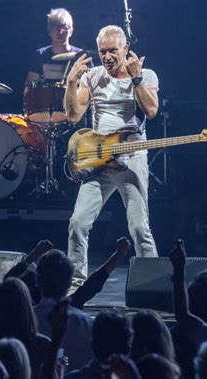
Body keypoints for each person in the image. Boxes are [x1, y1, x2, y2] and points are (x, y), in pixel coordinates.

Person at [64, 25, 159, 288]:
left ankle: (151, 285)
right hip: (98, 160)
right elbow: (73, 115)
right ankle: (75, 286)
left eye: (112, 51)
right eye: (102, 52)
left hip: (132, 158)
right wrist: (72, 81)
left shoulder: (146, 74)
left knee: (139, 228)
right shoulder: (93, 76)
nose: (107, 57)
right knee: (78, 224)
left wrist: (136, 78)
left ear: (125, 48)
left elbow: (151, 110)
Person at [26, 8, 82, 83]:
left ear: (71, 32)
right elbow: (30, 88)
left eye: (63, 26)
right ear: (49, 31)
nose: (60, 31)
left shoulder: (80, 56)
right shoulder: (40, 55)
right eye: (55, 27)